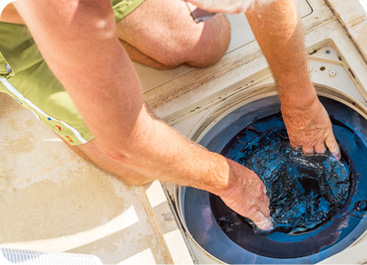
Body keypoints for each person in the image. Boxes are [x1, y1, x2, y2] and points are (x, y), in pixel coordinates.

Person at [0, 0, 340, 231]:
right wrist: (229, 181)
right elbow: (127, 143)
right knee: (134, 168)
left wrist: (301, 103)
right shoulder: (70, 11)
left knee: (209, 43)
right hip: (16, 28)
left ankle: (108, 47)